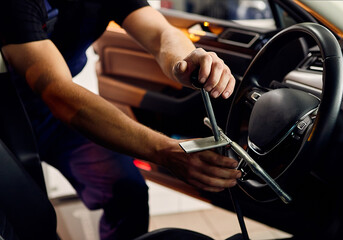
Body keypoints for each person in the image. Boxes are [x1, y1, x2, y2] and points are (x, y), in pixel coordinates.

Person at [0, 0, 240, 239]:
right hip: (6, 122)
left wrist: (186, 60)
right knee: (24, 221)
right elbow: (57, 92)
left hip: (51, 119)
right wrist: (165, 150)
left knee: (127, 191)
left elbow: (159, 34)